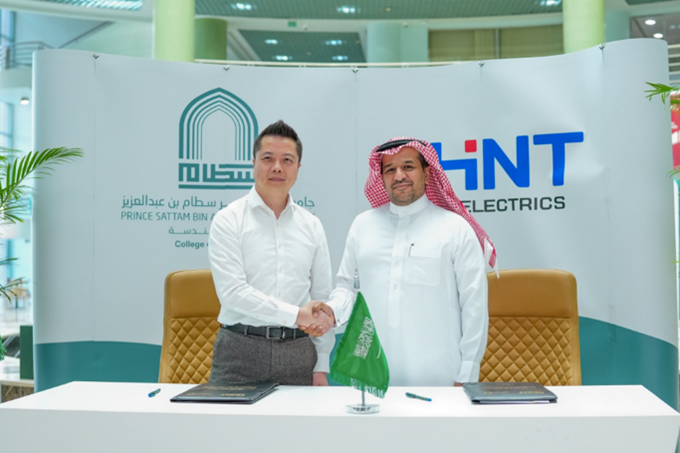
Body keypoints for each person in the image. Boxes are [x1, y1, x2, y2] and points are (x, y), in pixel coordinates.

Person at [309, 137, 495, 386]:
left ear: (427, 173)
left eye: (408, 167)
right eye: (390, 169)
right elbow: (347, 288)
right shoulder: (363, 226)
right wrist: (331, 311)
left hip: (441, 379)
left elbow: (474, 307)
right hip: (373, 379)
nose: (399, 176)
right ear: (381, 177)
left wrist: (467, 376)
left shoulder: (455, 228)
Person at [208, 120, 334, 386]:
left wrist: (321, 365)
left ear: (298, 168)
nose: (277, 167)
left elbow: (321, 299)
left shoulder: (311, 225)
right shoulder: (228, 219)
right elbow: (232, 293)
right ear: (253, 163)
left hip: (299, 353)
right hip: (239, 351)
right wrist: (297, 315)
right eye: (268, 158)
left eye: (287, 160)